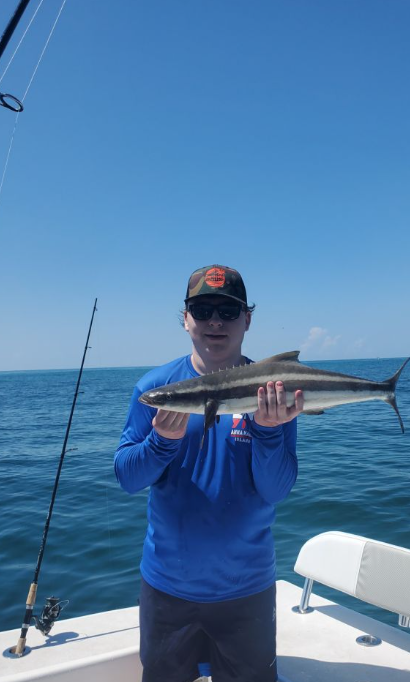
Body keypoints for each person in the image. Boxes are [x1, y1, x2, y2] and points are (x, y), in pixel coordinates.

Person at [114, 264, 303, 682]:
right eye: (202, 310)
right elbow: (128, 478)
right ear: (185, 319)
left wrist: (268, 432)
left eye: (228, 310)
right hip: (167, 589)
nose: (215, 321)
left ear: (248, 320)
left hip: (247, 591)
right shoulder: (155, 387)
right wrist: (160, 443)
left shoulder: (272, 391)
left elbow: (276, 490)